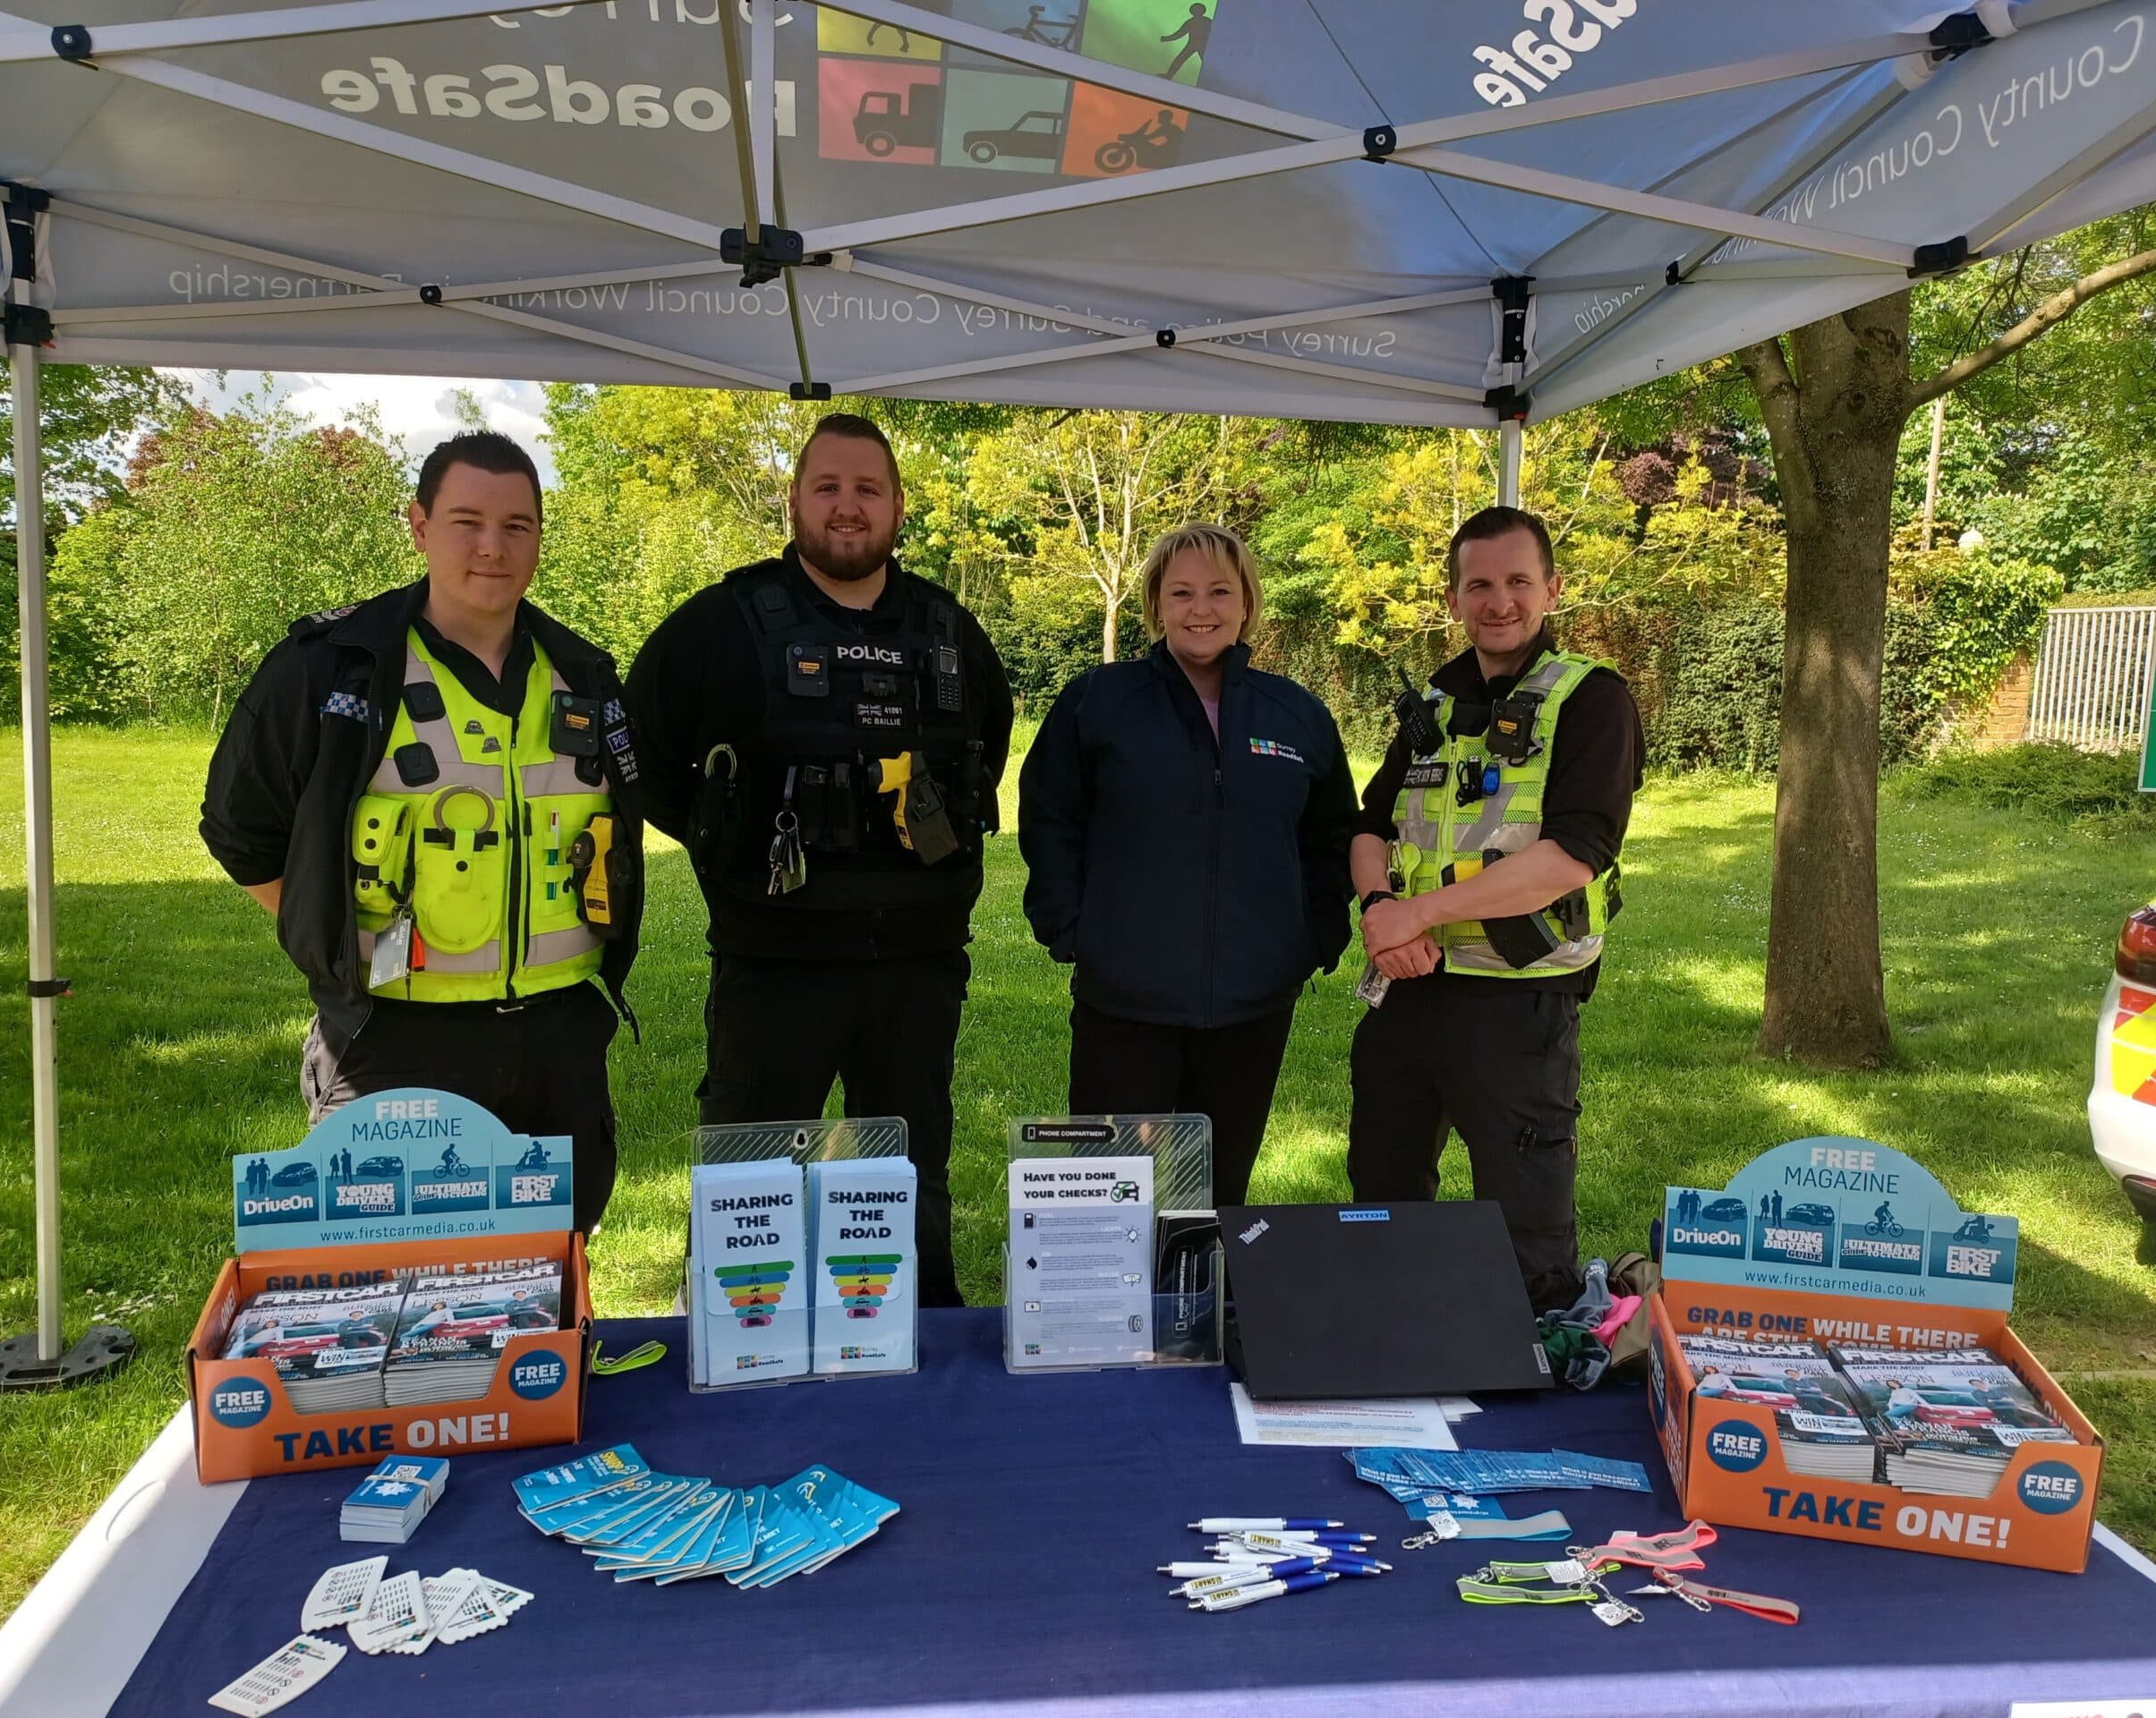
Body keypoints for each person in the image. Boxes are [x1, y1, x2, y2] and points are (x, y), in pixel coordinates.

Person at [200, 431, 645, 1236]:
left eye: (518, 526)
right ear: (417, 525)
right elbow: (240, 830)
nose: (492, 547)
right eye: (467, 520)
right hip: (394, 1037)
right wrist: (335, 939)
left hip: (558, 1037)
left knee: (552, 1276)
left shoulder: (585, 672)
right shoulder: (333, 667)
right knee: (390, 1292)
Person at [625, 414, 1013, 1307]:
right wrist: (723, 845)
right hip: (775, 965)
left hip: (916, 969)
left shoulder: (948, 629)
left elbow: (982, 749)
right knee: (747, 1185)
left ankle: (916, 1362)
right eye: (828, 488)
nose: (848, 507)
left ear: (897, 506)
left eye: (866, 489)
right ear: (796, 500)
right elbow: (636, 747)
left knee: (910, 1181)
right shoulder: (723, 623)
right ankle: (732, 1350)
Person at [1347, 505, 1645, 1312]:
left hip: (1519, 999)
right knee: (1380, 1197)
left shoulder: (1592, 700)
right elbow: (1370, 827)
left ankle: (1535, 1373)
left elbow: (1575, 853)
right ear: (1453, 598)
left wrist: (1418, 913)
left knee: (1526, 1228)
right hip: (1409, 985)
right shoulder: (1435, 705)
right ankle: (1391, 1335)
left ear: (1552, 588)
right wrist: (1382, 908)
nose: (1499, 601)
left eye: (1518, 581)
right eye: (1479, 584)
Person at [1018, 523, 1356, 1206]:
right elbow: (1050, 815)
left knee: (1216, 1189)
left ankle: (1206, 1307)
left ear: (1246, 603)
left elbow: (1332, 838)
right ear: (1156, 605)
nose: (1201, 609)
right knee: (1108, 1189)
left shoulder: (1295, 715)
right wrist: (1071, 927)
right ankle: (1111, 1312)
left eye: (1218, 592)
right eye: (1181, 592)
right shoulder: (1098, 702)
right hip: (1125, 1004)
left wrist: (1312, 939)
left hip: (1252, 1006)